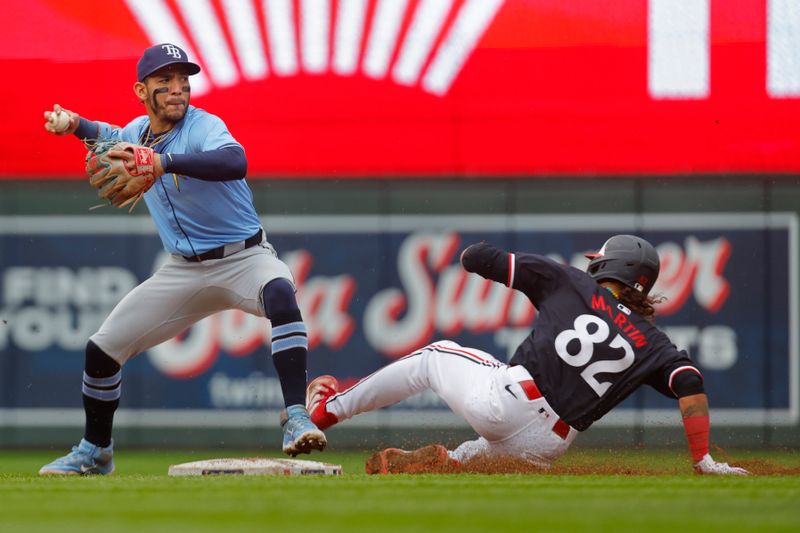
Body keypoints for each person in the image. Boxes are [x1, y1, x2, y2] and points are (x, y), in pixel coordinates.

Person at [39, 43, 325, 475]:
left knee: (282, 294)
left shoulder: (204, 126)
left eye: (183, 81)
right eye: (165, 82)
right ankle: (96, 451)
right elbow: (107, 133)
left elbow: (236, 161)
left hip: (244, 258)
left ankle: (295, 417)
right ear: (141, 90)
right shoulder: (137, 133)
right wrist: (74, 124)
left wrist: (163, 161)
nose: (177, 89)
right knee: (101, 350)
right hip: (183, 271)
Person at [306, 235, 749, 475]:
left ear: (607, 267)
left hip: (509, 402)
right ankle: (444, 462)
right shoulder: (654, 344)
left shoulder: (572, 281)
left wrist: (511, 266)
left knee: (434, 356)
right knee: (474, 459)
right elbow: (689, 382)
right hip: (549, 445)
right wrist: (701, 458)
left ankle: (328, 410)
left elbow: (475, 257)